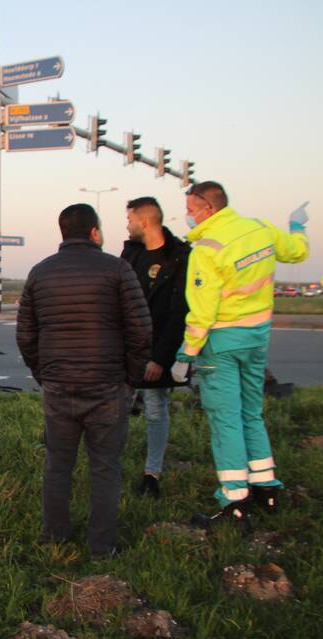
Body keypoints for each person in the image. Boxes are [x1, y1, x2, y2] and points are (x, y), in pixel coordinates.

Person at [17, 204, 152, 559]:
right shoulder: (117, 269)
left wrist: (43, 373)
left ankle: (54, 538)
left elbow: (26, 335)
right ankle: (101, 548)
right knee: (105, 467)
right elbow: (141, 331)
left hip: (59, 386)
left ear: (62, 233)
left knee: (57, 465)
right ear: (95, 232)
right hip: (108, 386)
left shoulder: (40, 273)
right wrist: (130, 379)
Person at [171, 182, 309, 528]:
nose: (187, 214)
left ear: (209, 209)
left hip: (221, 343)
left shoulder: (207, 248)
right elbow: (296, 252)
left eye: (191, 207)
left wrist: (186, 355)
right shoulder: (260, 229)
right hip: (257, 338)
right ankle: (267, 486)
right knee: (251, 413)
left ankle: (234, 500)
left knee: (225, 420)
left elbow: (203, 309)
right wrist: (297, 227)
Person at [120, 197, 191, 498]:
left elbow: (181, 312)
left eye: (130, 219)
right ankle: (110, 466)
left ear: (145, 222)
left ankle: (152, 474)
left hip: (158, 348)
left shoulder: (181, 256)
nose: (127, 225)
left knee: (154, 409)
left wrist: (160, 358)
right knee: (116, 408)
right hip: (126, 348)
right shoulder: (130, 254)